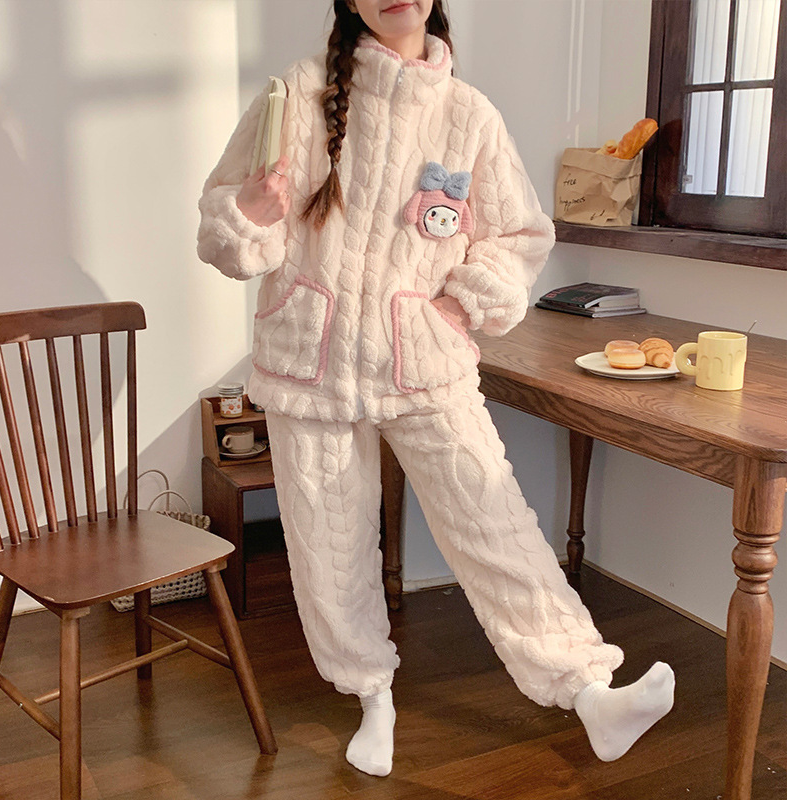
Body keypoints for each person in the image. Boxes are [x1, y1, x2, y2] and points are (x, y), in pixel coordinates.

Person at [197, 0, 675, 778]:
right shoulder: (297, 95)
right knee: (328, 545)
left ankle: (590, 691)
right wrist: (249, 214)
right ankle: (371, 696)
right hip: (309, 359)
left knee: (494, 519)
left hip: (423, 359)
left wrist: (459, 303)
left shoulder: (469, 116)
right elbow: (225, 229)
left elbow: (519, 236)